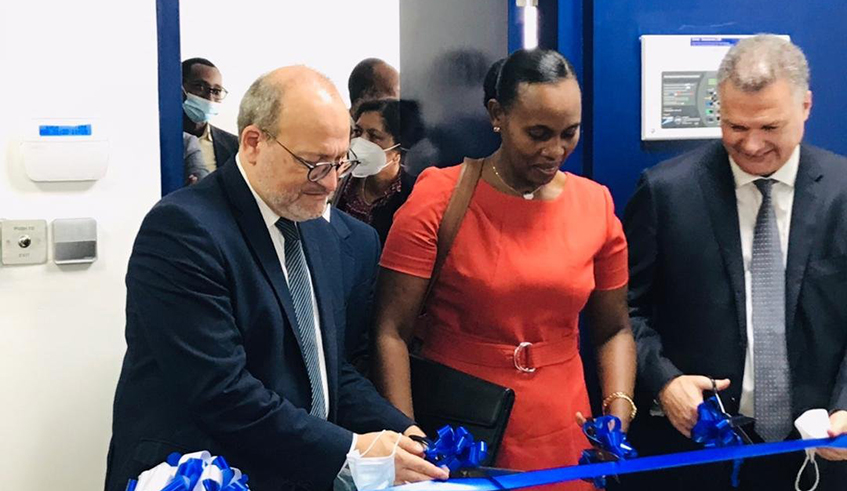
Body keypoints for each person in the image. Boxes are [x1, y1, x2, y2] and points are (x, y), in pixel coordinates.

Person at [105, 66, 448, 491]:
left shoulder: (327, 233)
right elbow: (222, 391)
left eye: (340, 164)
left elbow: (329, 368)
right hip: (203, 468)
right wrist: (351, 448)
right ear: (253, 143)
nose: (328, 184)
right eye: (314, 164)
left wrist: (399, 432)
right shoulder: (185, 230)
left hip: (300, 468)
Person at [372, 48, 637, 485]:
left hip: (567, 429)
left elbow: (614, 329)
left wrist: (617, 419)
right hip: (461, 427)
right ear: (497, 115)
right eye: (537, 133)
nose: (555, 151)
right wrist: (409, 440)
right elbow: (390, 330)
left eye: (569, 133)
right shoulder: (439, 198)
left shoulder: (596, 204)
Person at [620, 35, 847, 491]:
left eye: (770, 127)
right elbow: (624, 312)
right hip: (695, 453)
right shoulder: (667, 193)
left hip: (822, 450)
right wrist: (665, 382)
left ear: (806, 106)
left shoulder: (843, 192)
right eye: (735, 126)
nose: (752, 145)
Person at [335, 99, 425, 245]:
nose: (360, 142)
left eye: (374, 136)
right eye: (357, 132)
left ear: (398, 150)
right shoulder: (340, 182)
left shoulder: (412, 196)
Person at [182, 57, 238, 180]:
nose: (209, 97)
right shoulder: (157, 140)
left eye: (216, 91)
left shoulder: (234, 146)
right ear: (180, 88)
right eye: (199, 87)